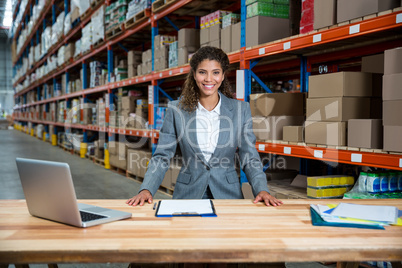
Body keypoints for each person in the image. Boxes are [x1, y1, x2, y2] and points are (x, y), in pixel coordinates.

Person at [126, 46, 283, 207]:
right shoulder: (176, 110)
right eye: (202, 72)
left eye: (215, 72)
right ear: (194, 74)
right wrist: (146, 189)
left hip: (227, 194)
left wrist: (262, 190)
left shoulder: (240, 110)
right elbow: (162, 156)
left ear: (222, 76)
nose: (209, 79)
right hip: (188, 193)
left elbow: (249, 157)